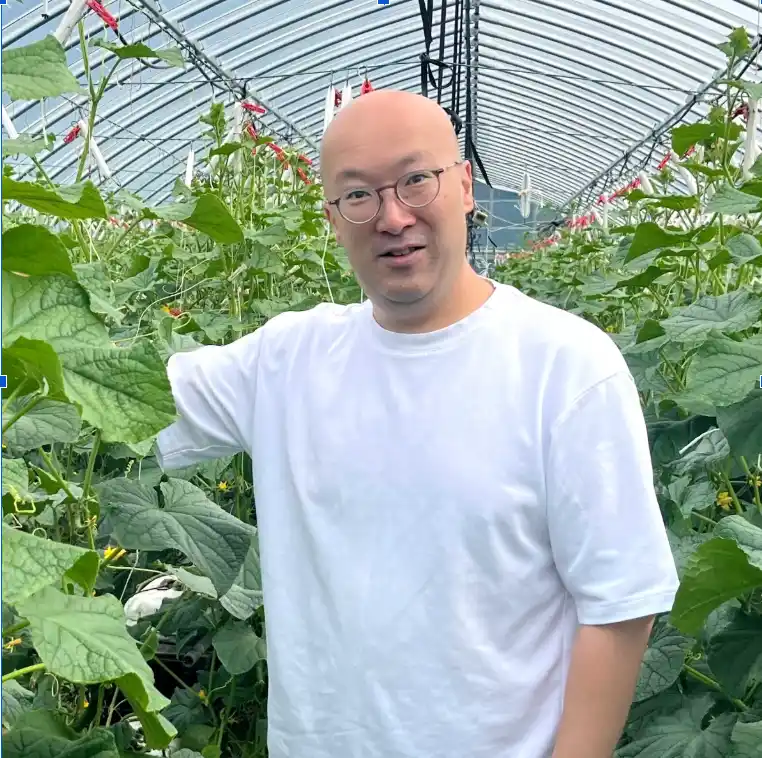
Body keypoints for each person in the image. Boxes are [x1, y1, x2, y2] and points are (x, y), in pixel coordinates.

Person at [156, 89, 679, 758]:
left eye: (415, 181)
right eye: (358, 195)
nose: (393, 216)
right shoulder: (285, 362)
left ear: (463, 187)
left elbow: (620, 606)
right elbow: (119, 398)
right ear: (332, 218)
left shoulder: (565, 365)